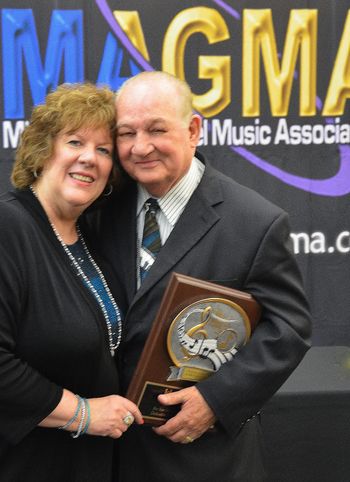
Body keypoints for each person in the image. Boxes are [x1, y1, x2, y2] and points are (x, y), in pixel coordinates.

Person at [85, 71, 312, 482]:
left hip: (199, 458)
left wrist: (216, 400)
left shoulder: (255, 222)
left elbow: (289, 328)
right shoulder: (97, 209)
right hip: (104, 455)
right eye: (126, 133)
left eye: (157, 129)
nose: (140, 147)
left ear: (193, 130)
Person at [0, 82, 143, 482]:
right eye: (75, 142)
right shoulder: (9, 227)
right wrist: (83, 414)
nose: (89, 159)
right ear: (43, 150)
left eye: (103, 150)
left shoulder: (89, 238)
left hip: (90, 463)